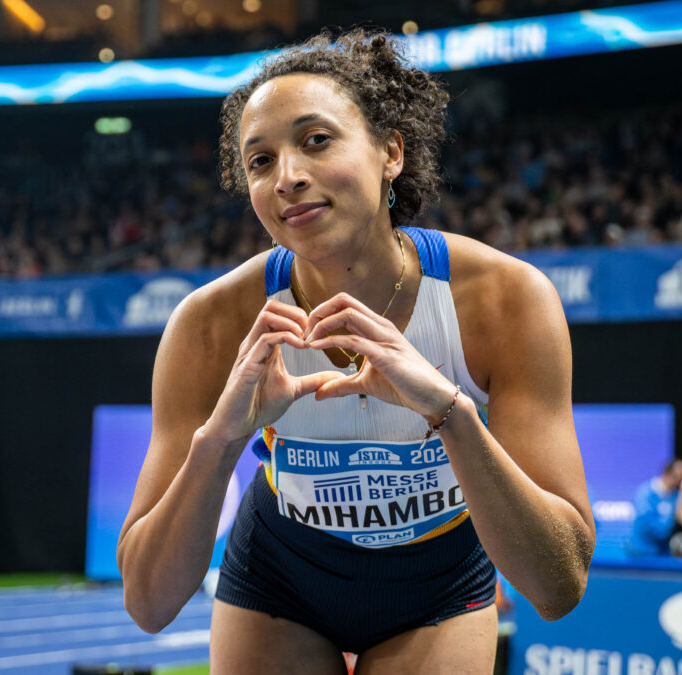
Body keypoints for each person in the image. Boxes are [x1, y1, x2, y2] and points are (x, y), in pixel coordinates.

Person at [116, 29, 595, 673]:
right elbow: (148, 603)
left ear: (390, 151)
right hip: (281, 578)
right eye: (260, 161)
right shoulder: (209, 324)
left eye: (317, 140)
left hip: (440, 581)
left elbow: (559, 586)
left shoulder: (504, 300)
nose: (288, 177)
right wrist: (222, 440)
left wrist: (450, 412)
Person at [629, 459, 682, 556]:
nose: (681, 479)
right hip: (642, 551)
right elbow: (644, 519)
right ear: (668, 472)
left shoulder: (676, 496)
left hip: (664, 553)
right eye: (678, 475)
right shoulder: (645, 493)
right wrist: (665, 529)